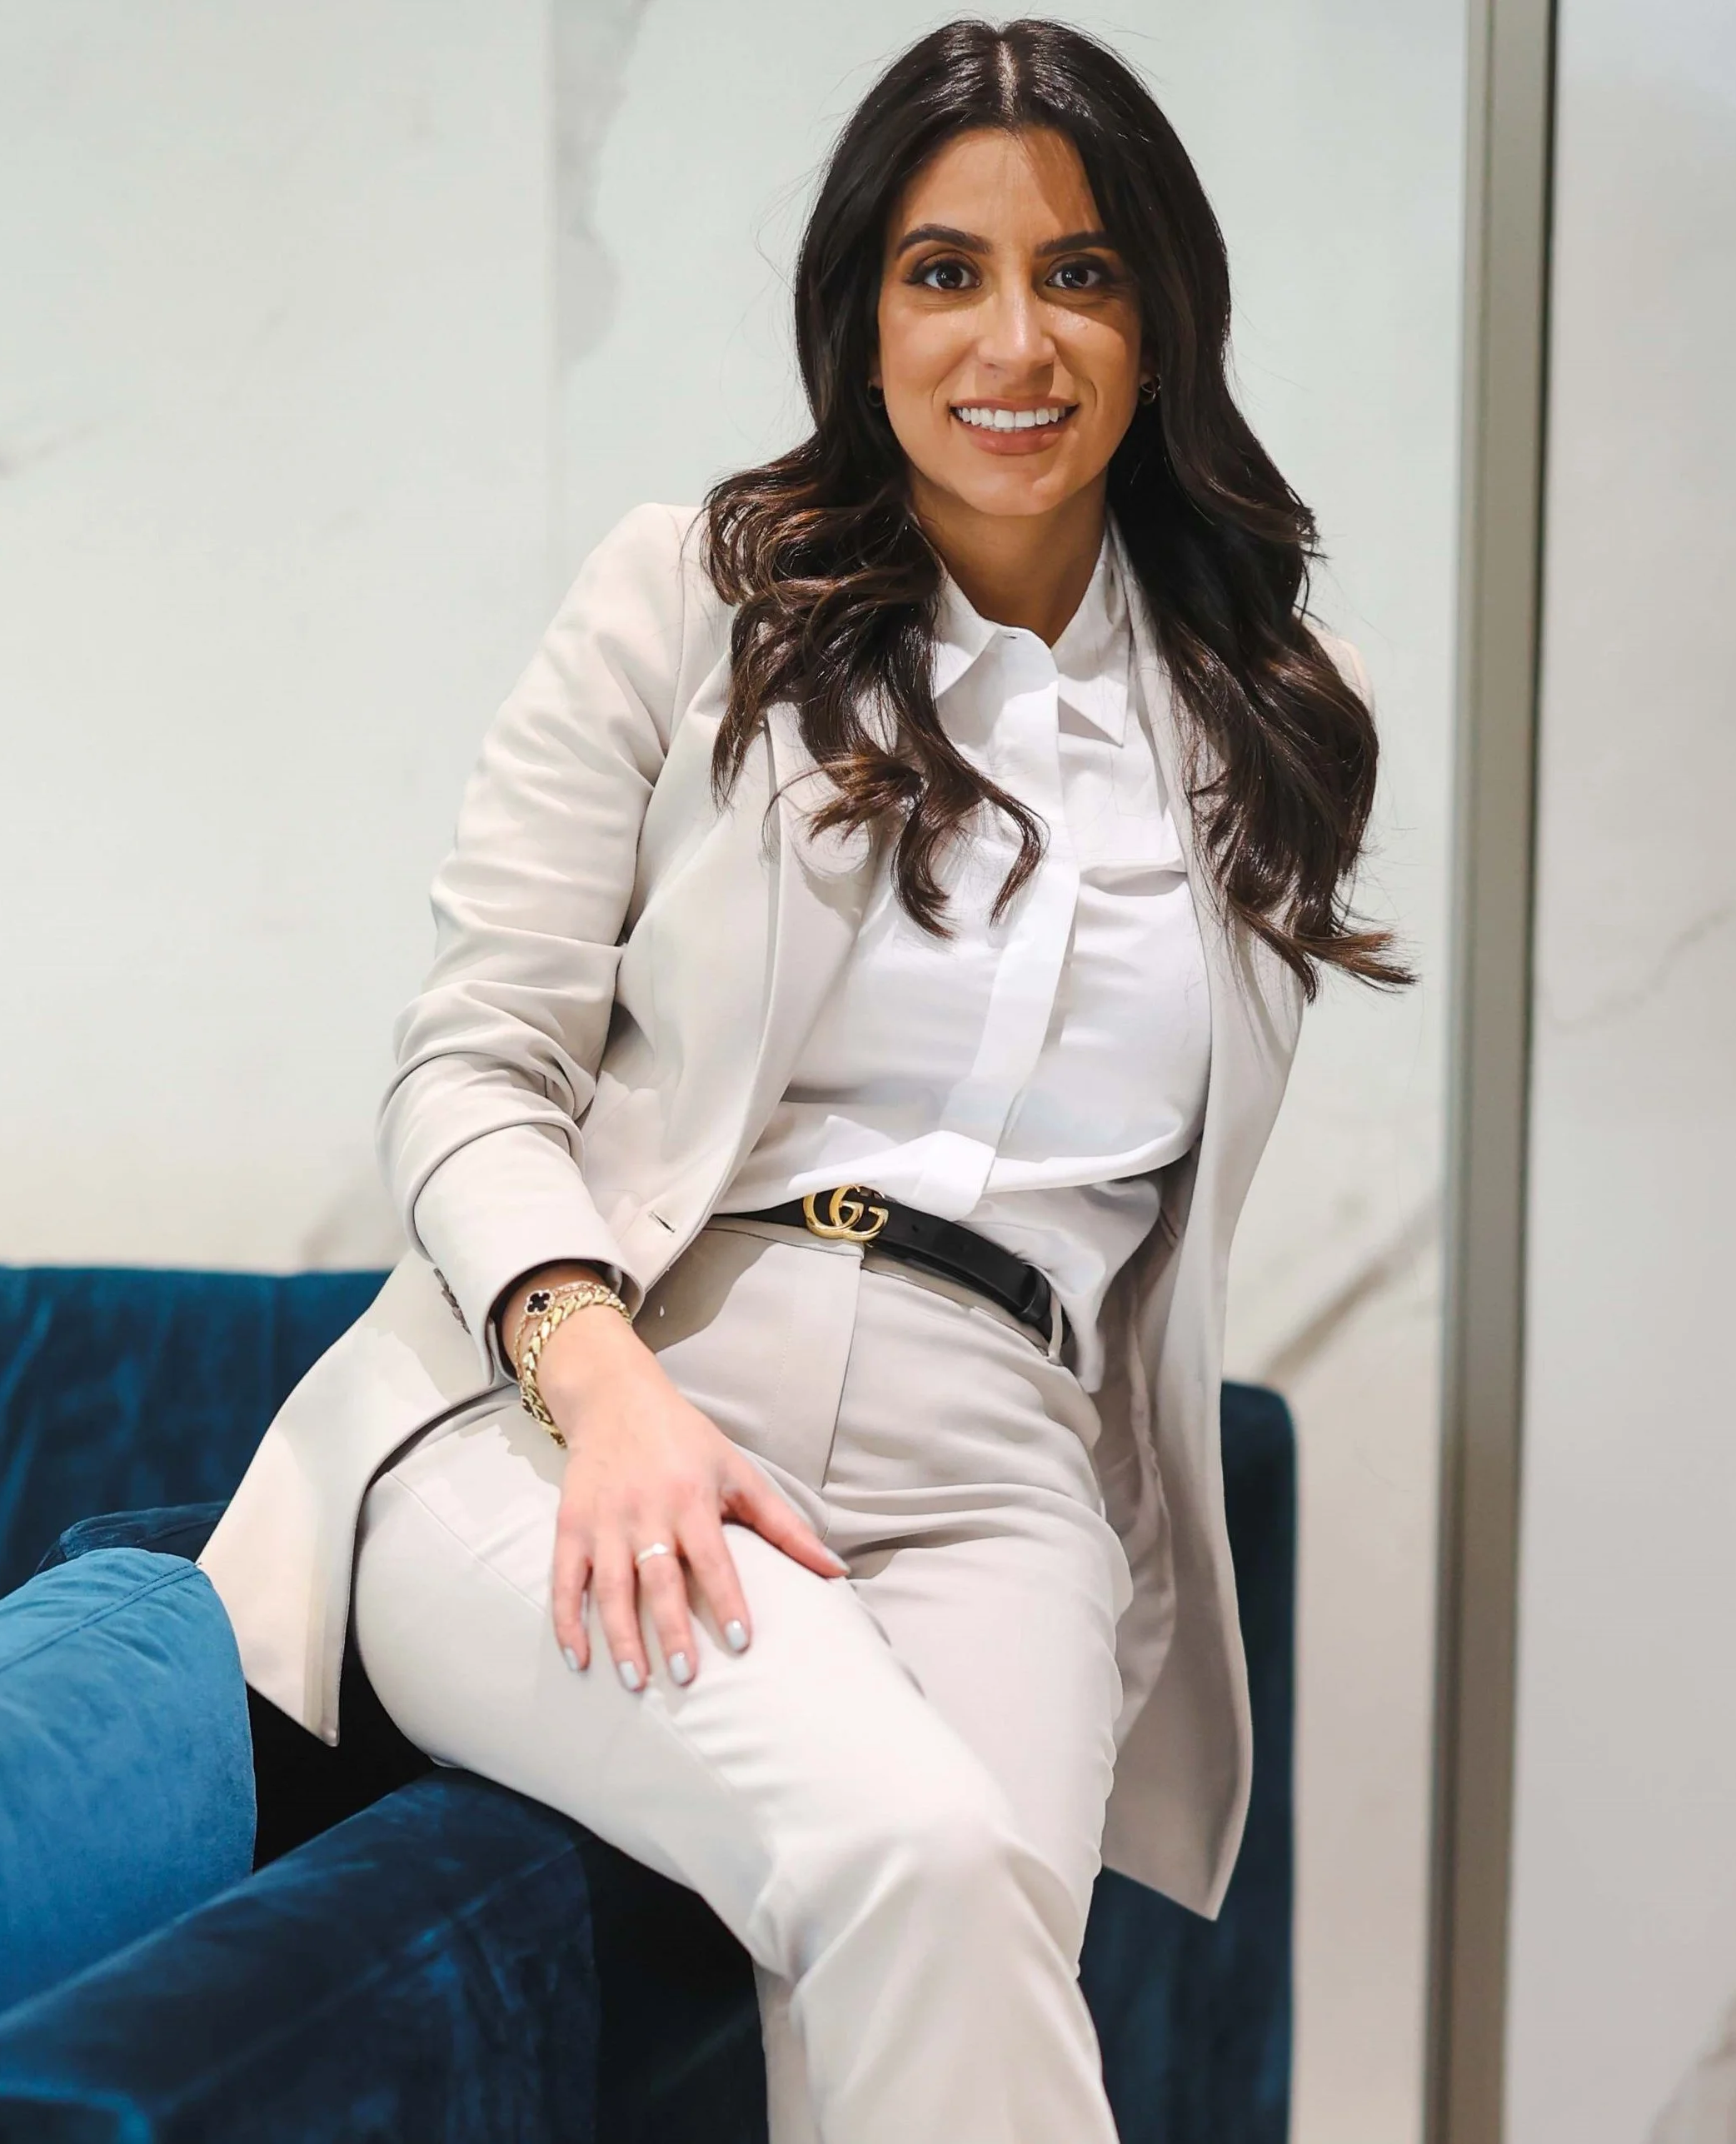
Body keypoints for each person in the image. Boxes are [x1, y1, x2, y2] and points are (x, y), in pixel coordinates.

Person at [202, 17, 1406, 2142]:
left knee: (953, 1972)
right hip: (602, 1401)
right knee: (914, 1866)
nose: (1009, 340)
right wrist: (606, 1383)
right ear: (860, 316)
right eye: (943, 272)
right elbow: (474, 1060)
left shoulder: (1269, 721)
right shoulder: (691, 601)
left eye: (1082, 272)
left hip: (1006, 1473)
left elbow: (1143, 1253)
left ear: (1159, 321)